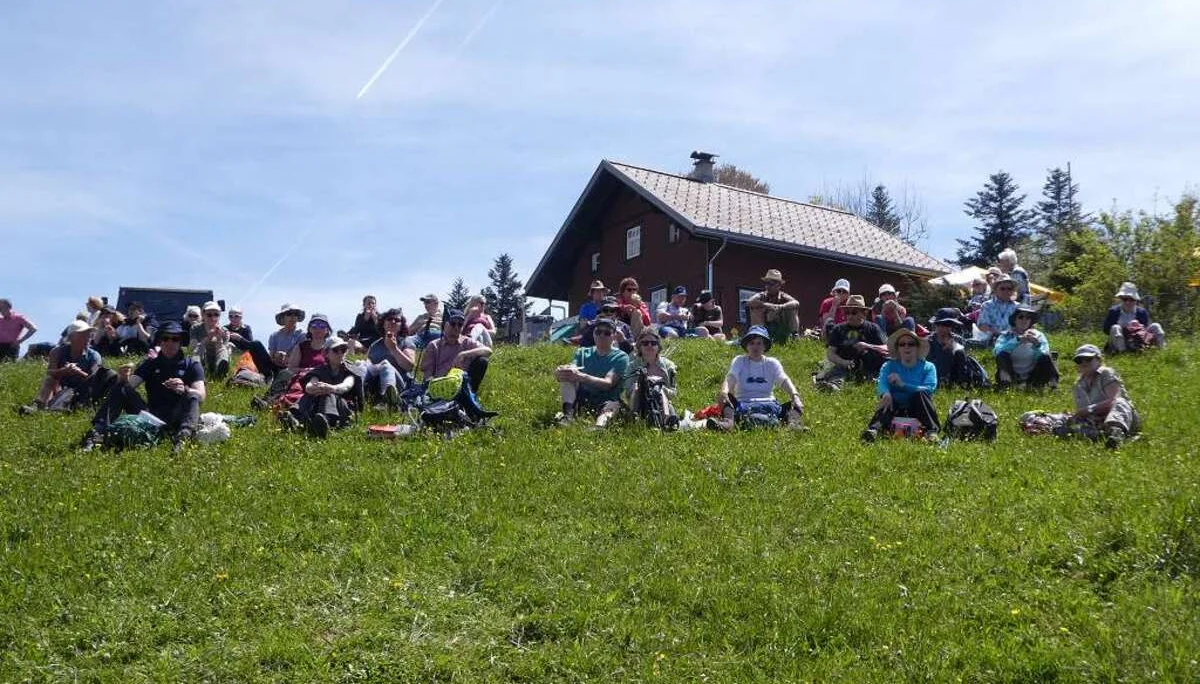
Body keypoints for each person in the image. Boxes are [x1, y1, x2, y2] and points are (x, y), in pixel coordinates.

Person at [79, 322, 205, 453]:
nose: (170, 342)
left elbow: (201, 395)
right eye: (165, 338)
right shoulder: (150, 364)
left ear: (181, 341)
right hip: (152, 417)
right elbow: (129, 386)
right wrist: (122, 378)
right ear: (159, 341)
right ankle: (97, 433)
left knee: (193, 395)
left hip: (178, 416)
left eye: (175, 339)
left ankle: (183, 439)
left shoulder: (192, 365)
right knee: (122, 387)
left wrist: (184, 389)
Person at [712, 325, 804, 430]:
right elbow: (731, 378)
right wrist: (724, 392)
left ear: (764, 346)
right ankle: (728, 423)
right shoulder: (739, 361)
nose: (755, 347)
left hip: (769, 405)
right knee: (725, 401)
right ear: (747, 346)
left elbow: (784, 380)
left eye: (759, 343)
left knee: (794, 404)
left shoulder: (772, 363)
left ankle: (794, 424)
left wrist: (795, 395)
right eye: (752, 343)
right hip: (744, 404)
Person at [19, 320, 117, 414]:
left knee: (69, 390)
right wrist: (63, 371)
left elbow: (94, 380)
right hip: (60, 388)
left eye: (89, 334)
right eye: (83, 334)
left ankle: (51, 408)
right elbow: (50, 372)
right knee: (50, 379)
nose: (88, 337)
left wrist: (78, 372)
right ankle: (39, 405)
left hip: (82, 391)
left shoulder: (94, 356)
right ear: (71, 337)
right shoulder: (57, 351)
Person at [861, 328, 940, 442]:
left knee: (921, 394)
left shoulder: (928, 367)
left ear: (917, 347)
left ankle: (931, 432)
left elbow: (929, 388)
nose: (906, 347)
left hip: (918, 409)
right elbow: (882, 382)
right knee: (887, 398)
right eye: (902, 344)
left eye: (911, 344)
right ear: (897, 349)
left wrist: (903, 385)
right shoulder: (888, 365)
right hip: (894, 407)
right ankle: (874, 430)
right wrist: (885, 393)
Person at [555, 317, 630, 427]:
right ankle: (568, 416)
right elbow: (573, 368)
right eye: (598, 332)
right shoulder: (582, 352)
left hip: (607, 400)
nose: (601, 335)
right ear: (593, 333)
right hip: (582, 399)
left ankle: (598, 427)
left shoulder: (621, 357)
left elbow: (608, 383)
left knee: (611, 406)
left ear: (614, 336)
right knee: (567, 377)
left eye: (607, 333)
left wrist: (582, 376)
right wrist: (562, 372)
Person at [283, 336, 358, 438]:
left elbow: (346, 386)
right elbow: (310, 384)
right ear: (326, 353)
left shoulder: (348, 369)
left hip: (343, 408)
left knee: (329, 395)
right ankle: (295, 419)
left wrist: (331, 388)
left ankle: (325, 423)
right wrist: (315, 388)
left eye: (343, 350)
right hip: (318, 407)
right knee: (309, 395)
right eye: (336, 350)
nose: (340, 353)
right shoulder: (320, 370)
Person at [1070, 344, 1141, 449]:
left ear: (1099, 360)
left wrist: (1089, 409)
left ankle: (1116, 433)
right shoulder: (1078, 384)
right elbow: (1081, 412)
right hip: (1096, 421)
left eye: (1088, 359)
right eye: (1079, 360)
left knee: (1119, 401)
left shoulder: (1106, 373)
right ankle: (1102, 436)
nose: (1084, 363)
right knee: (1067, 421)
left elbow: (1113, 400)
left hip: (1123, 418)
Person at [820, 295, 888, 386]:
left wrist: (868, 346)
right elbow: (830, 353)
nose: (849, 316)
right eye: (847, 312)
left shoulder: (873, 329)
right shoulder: (838, 329)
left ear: (864, 313)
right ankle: (834, 385)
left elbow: (886, 349)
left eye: (854, 312)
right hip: (844, 365)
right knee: (837, 376)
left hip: (869, 366)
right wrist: (844, 362)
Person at [421, 309, 492, 393]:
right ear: (445, 325)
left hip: (461, 386)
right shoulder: (434, 345)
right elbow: (427, 376)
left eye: (460, 325)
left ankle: (471, 392)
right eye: (453, 324)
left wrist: (463, 354)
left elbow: (488, 350)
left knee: (482, 361)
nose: (456, 328)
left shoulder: (466, 342)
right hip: (440, 386)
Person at [993, 306, 1059, 390]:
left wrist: (1036, 346)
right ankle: (1007, 384)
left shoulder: (1039, 335)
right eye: (1021, 317)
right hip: (1012, 371)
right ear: (1014, 320)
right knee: (1001, 355)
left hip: (1033, 373)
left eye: (1028, 318)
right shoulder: (1006, 335)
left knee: (1048, 357)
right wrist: (1017, 340)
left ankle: (1052, 386)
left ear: (1031, 321)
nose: (1024, 320)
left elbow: (1044, 353)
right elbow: (997, 351)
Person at [626, 328, 678, 427]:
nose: (649, 345)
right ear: (639, 346)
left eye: (653, 343)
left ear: (658, 346)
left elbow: (673, 393)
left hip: (662, 402)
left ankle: (666, 419)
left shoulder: (669, 365)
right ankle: (633, 418)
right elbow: (628, 391)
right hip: (639, 400)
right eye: (645, 343)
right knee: (636, 387)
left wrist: (659, 387)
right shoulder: (632, 366)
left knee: (659, 389)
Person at [364, 308, 414, 408]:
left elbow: (409, 367)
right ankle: (358, 397)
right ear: (383, 324)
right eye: (389, 319)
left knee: (386, 365)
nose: (393, 322)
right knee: (361, 365)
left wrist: (394, 349)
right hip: (376, 384)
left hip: (400, 385)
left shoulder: (406, 342)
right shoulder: (375, 345)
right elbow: (368, 366)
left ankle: (389, 399)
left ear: (401, 326)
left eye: (397, 320)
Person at [245, 303, 307, 381]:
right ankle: (268, 375)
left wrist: (287, 357)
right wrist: (276, 357)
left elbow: (300, 357)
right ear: (283, 317)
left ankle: (276, 377)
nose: (293, 317)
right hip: (274, 366)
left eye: (295, 314)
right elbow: (271, 356)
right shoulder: (274, 336)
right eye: (289, 314)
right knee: (255, 344)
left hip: (291, 368)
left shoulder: (302, 335)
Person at [1103, 282, 1166, 351]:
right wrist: (1123, 328)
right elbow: (1106, 330)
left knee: (1156, 326)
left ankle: (1162, 350)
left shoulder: (1142, 312)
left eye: (1131, 299)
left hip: (1137, 339)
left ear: (1136, 300)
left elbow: (1146, 329)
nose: (1128, 302)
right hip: (1119, 341)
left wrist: (1138, 327)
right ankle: (1122, 353)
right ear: (1121, 299)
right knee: (1116, 327)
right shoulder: (1113, 311)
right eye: (1125, 299)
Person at [746, 269, 800, 342]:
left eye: (771, 284)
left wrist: (781, 307)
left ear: (779, 286)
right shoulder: (762, 295)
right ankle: (759, 336)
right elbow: (749, 302)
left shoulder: (783, 296)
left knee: (792, 309)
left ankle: (794, 336)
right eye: (767, 283)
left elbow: (796, 303)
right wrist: (766, 305)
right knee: (755, 308)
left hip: (781, 327)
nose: (768, 286)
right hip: (764, 325)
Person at [926, 308, 974, 388]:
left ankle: (961, 384)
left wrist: (953, 348)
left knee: (959, 351)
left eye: (947, 325)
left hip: (954, 377)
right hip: (933, 377)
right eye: (939, 324)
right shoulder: (928, 341)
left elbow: (966, 361)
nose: (943, 328)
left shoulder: (958, 340)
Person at [190, 301, 231, 378]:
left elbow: (225, 347)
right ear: (203, 315)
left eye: (216, 314)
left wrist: (220, 339)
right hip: (203, 356)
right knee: (198, 348)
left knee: (223, 348)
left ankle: (220, 369)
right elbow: (193, 346)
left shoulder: (224, 331)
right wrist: (208, 337)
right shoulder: (195, 328)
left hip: (216, 357)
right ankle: (196, 367)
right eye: (209, 315)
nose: (213, 318)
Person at [975, 274, 1020, 346]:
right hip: (992, 339)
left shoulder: (1017, 307)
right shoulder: (987, 305)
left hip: (1013, 339)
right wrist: (999, 333)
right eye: (1002, 288)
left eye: (1009, 289)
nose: (1006, 291)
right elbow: (982, 326)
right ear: (995, 290)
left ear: (1013, 291)